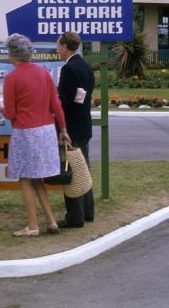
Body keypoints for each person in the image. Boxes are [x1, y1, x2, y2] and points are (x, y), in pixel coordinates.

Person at [1, 33, 70, 237]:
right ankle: (51, 221)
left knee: (25, 178)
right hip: (47, 130)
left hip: (26, 132)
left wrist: (1, 110)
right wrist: (64, 129)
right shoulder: (44, 73)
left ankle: (32, 226)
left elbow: (11, 113)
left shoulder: (11, 78)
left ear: (13, 53)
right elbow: (55, 104)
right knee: (37, 179)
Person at [56, 31, 95, 228]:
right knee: (84, 168)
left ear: (64, 46)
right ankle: (88, 211)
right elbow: (82, 97)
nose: (57, 50)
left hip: (71, 127)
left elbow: (64, 102)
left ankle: (75, 216)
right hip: (84, 125)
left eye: (58, 46)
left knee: (72, 171)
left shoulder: (68, 69)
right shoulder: (86, 67)